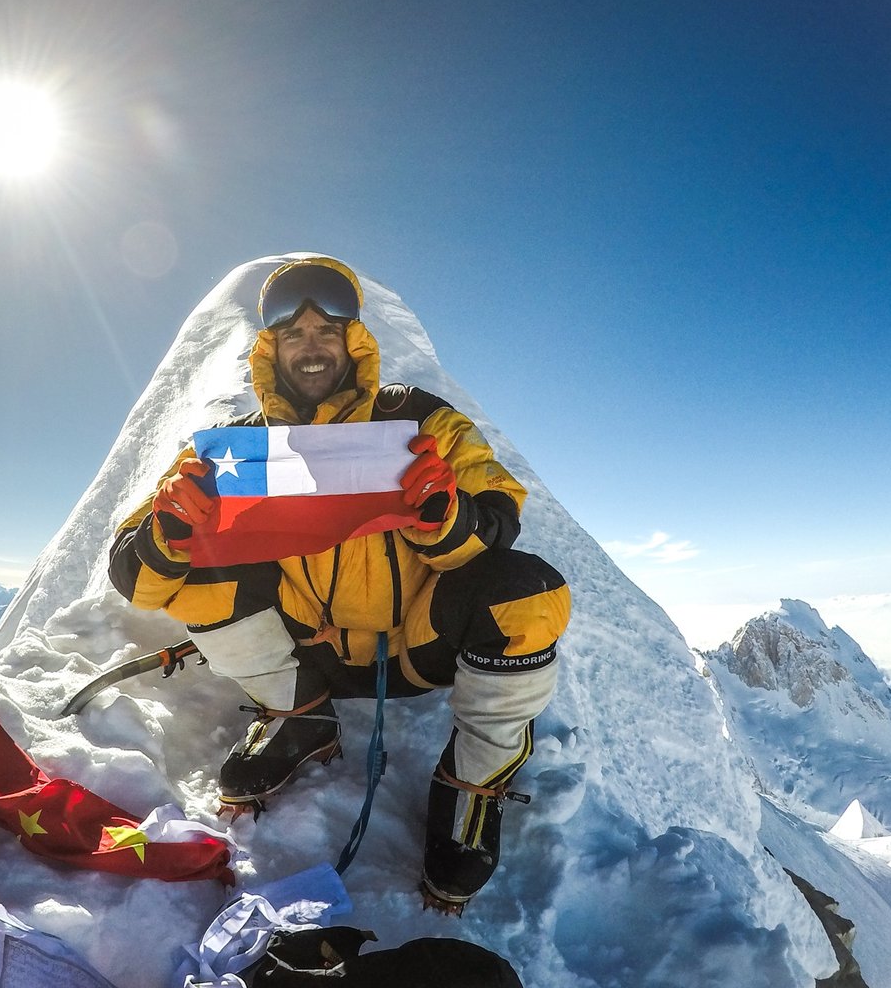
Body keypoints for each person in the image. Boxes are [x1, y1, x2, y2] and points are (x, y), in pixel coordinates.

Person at [108, 255, 571, 913]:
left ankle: (472, 781)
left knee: (526, 593)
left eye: (326, 330)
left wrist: (447, 517)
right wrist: (170, 531)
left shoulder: (418, 422)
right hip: (309, 651)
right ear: (271, 348)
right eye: (294, 333)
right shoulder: (236, 450)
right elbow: (137, 570)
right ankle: (299, 716)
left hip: (414, 646)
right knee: (194, 561)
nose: (311, 346)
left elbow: (498, 513)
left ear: (353, 338)